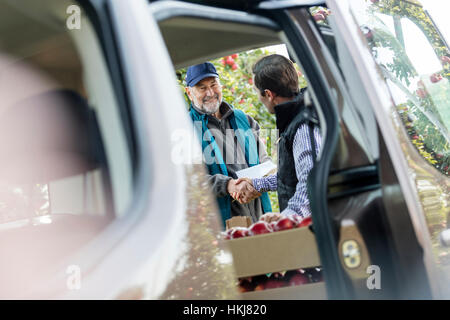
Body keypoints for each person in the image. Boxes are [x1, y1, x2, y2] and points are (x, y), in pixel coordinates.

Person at [233, 54, 322, 223]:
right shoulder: (295, 118)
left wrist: (286, 217)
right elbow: (290, 176)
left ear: (268, 94)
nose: (259, 99)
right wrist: (256, 184)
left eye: (258, 93)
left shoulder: (302, 126)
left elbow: (311, 180)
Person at [185, 61, 273, 227]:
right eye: (202, 88)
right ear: (189, 92)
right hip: (220, 228)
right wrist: (228, 185)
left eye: (213, 84)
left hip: (260, 218)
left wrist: (256, 183)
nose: (210, 92)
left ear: (220, 85)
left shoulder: (244, 119)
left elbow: (265, 162)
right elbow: (190, 179)